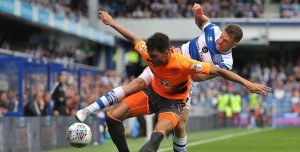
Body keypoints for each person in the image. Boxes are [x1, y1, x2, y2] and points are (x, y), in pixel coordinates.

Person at [78, 10, 271, 152]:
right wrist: (198, 14)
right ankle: (89, 109)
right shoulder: (210, 31)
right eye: (221, 37)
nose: (220, 41)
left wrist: (247, 83)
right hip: (164, 72)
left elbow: (205, 75)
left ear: (233, 45)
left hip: (184, 76)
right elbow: (135, 38)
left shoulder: (224, 61)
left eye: (225, 41)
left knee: (179, 127)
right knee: (133, 88)